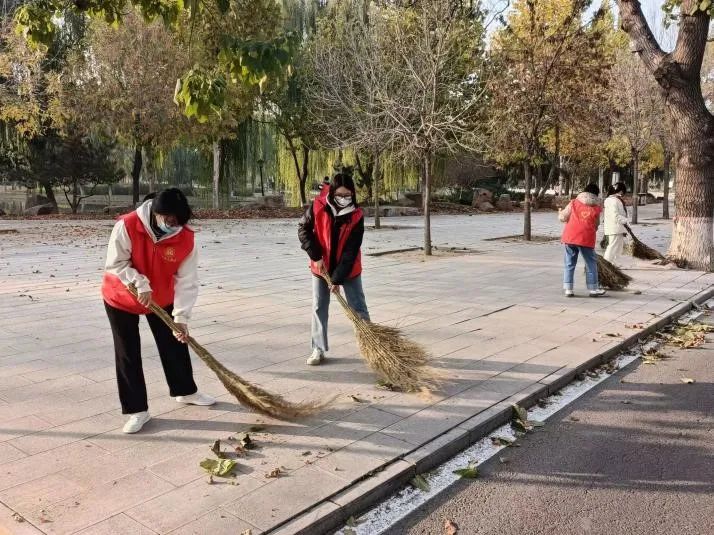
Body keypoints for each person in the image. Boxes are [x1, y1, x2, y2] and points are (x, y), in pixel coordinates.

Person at [102, 188, 215, 434]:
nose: (173, 225)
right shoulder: (127, 225)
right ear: (156, 212)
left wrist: (181, 317)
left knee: (174, 343)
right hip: (121, 296)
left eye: (178, 221)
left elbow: (187, 281)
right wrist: (139, 282)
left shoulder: (186, 238)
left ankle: (185, 391)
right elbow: (115, 262)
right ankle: (137, 410)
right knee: (127, 352)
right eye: (169, 220)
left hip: (161, 297)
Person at [298, 173, 370, 365]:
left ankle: (371, 346)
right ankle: (318, 349)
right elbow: (303, 230)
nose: (344, 198)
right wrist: (316, 256)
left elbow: (351, 250)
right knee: (319, 306)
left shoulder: (356, 215)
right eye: (340, 195)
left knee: (358, 307)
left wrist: (337, 279)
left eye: (348, 195)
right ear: (332, 193)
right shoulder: (318, 206)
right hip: (321, 267)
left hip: (349, 268)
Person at [559, 183, 606, 298]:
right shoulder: (597, 207)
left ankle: (568, 289)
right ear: (596, 194)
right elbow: (596, 224)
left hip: (571, 236)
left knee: (569, 263)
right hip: (586, 237)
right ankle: (593, 289)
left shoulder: (573, 202)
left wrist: (560, 213)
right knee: (590, 263)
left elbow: (563, 217)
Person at [603, 182, 629, 265]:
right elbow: (615, 215)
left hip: (618, 227)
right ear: (620, 191)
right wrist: (625, 221)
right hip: (614, 227)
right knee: (612, 246)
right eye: (622, 191)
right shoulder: (612, 201)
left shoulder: (615, 200)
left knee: (618, 247)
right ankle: (606, 264)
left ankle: (615, 263)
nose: (622, 193)